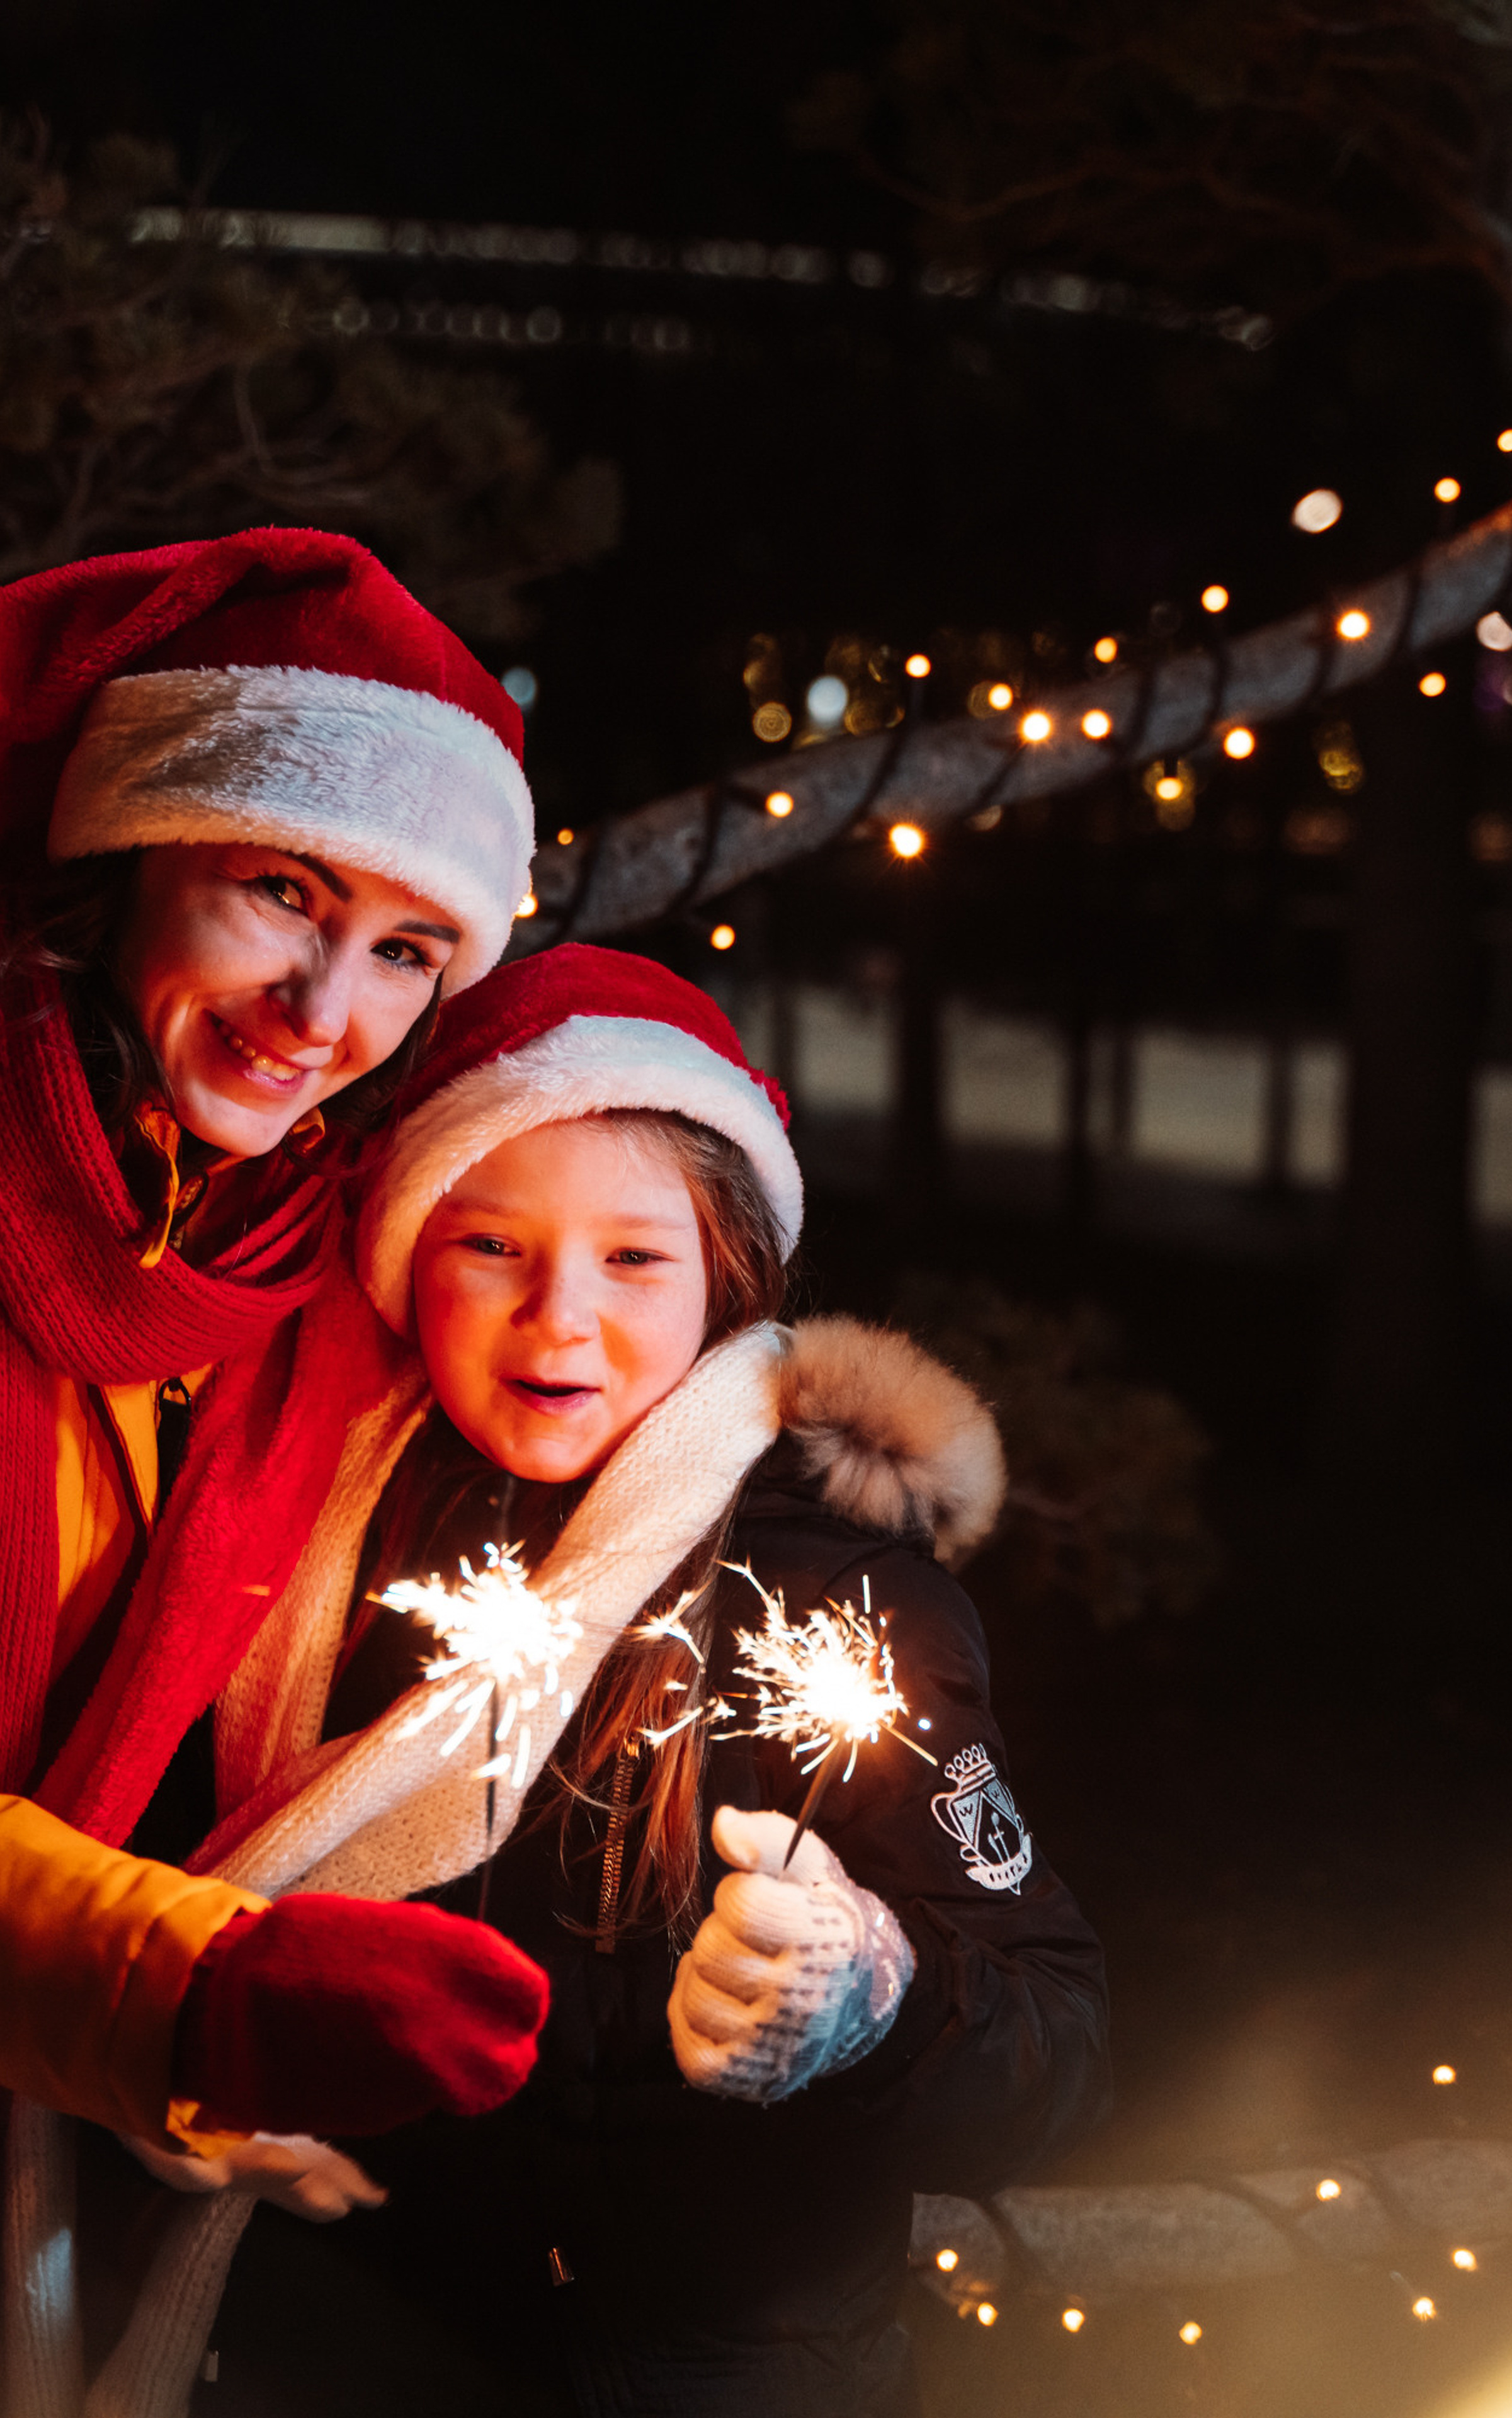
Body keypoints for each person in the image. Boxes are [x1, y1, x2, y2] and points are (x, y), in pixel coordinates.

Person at [181, 945, 1109, 2418]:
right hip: (335, 2352)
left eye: (631, 1258)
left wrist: (871, 1987)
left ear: (723, 1277)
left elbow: (1054, 2055)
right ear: (406, 1257)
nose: (557, 1316)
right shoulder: (294, 1548)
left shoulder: (837, 1599)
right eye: (491, 1246)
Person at [0, 527, 551, 2178]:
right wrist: (193, 1995)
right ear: (127, 853)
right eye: (282, 893)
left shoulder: (288, 1252)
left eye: (405, 952)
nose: (321, 1012)